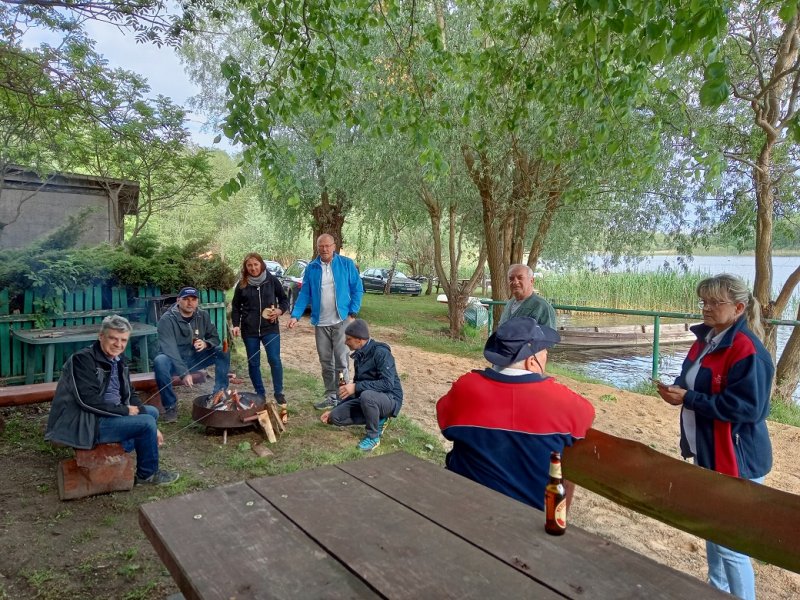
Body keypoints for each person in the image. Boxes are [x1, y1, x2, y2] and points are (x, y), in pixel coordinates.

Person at [656, 274, 773, 600]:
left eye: (714, 302)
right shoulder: (706, 339)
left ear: (738, 308)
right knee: (713, 531)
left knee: (731, 544)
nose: (706, 308)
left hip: (737, 457)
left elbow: (749, 409)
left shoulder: (747, 350)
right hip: (708, 451)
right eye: (703, 301)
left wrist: (690, 399)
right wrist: (677, 390)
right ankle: (716, 592)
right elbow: (691, 378)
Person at [436, 316, 594, 509]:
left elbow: (445, 423)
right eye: (545, 351)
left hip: (462, 504)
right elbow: (587, 417)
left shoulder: (465, 388)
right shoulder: (565, 402)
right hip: (530, 515)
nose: (547, 356)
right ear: (531, 362)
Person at [45, 315, 179, 485]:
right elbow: (87, 401)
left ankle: (121, 446)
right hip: (86, 422)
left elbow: (130, 394)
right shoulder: (82, 360)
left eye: (123, 340)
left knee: (151, 413)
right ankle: (148, 475)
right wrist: (126, 411)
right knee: (146, 423)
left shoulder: (119, 360)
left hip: (108, 414)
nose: (118, 344)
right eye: (113, 338)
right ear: (101, 336)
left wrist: (152, 425)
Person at [287, 233, 364, 410]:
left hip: (342, 321)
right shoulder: (312, 268)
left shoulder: (346, 264)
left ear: (334, 247)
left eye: (328, 245)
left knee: (341, 361)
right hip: (321, 323)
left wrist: (353, 311)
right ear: (317, 248)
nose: (324, 249)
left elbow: (357, 288)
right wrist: (295, 315)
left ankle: (343, 397)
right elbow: (305, 293)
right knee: (326, 362)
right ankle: (331, 396)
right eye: (321, 246)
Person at [319, 319, 403, 452]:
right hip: (368, 398)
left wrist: (356, 387)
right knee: (335, 417)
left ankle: (373, 436)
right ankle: (379, 418)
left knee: (366, 396)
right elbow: (358, 390)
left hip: (390, 399)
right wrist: (334, 409)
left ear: (359, 340)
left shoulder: (381, 353)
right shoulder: (359, 355)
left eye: (348, 339)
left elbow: (387, 384)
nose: (345, 342)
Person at [153, 286, 230, 423]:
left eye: (193, 299)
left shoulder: (202, 315)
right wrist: (184, 373)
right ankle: (170, 407)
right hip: (172, 362)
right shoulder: (167, 320)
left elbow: (215, 338)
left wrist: (205, 343)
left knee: (222, 351)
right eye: (186, 299)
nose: (190, 303)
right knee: (160, 361)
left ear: (197, 301)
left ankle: (218, 393)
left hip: (194, 358)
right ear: (178, 300)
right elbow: (170, 350)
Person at [231, 253, 290, 421]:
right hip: (249, 330)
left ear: (261, 265)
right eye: (249, 265)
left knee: (274, 359)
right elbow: (235, 307)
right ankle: (260, 394)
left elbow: (284, 300)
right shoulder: (242, 284)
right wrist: (236, 324)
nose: (253, 268)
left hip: (270, 328)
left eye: (255, 264)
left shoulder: (272, 280)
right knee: (253, 362)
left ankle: (279, 392)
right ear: (246, 268)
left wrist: (279, 311)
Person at [497, 264, 556, 328]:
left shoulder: (542, 307)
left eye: (520, 278)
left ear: (531, 281)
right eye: (511, 279)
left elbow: (549, 333)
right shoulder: (509, 304)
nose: (515, 282)